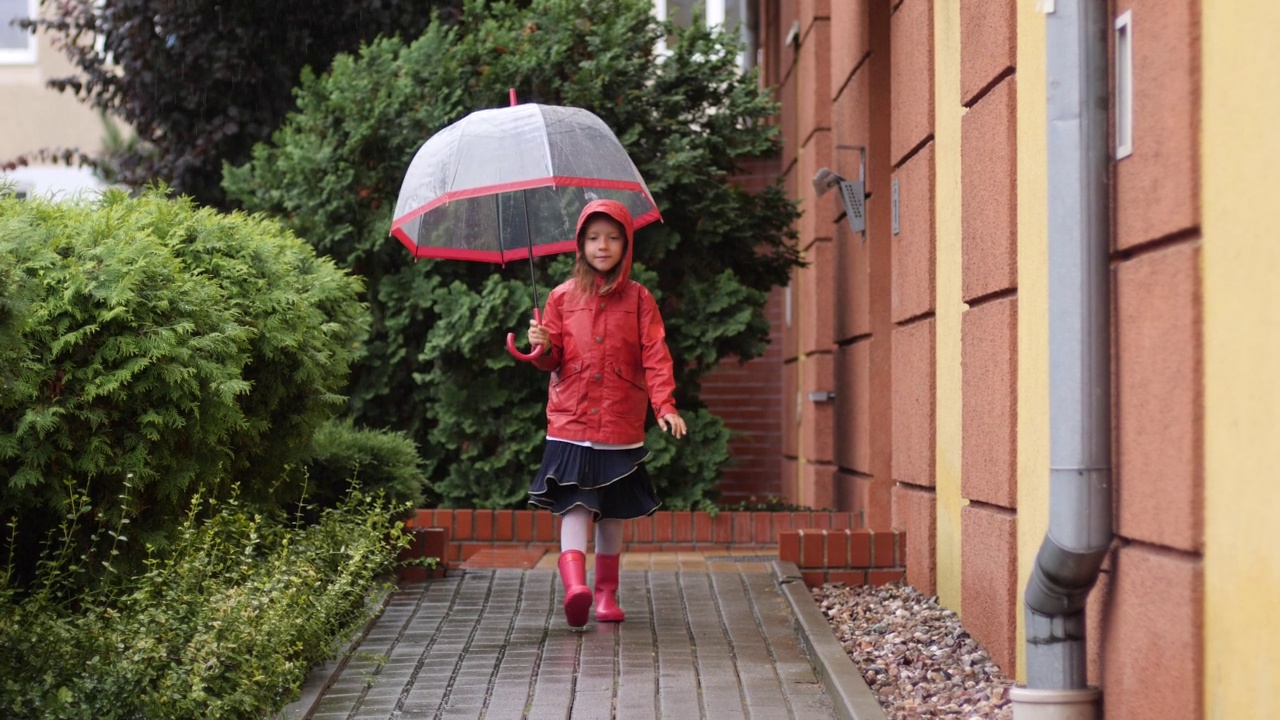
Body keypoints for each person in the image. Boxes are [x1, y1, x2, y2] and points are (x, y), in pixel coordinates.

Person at [526, 198, 686, 629]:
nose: (603, 246)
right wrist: (541, 344)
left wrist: (665, 405)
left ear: (626, 246)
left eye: (613, 238)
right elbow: (551, 358)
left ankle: (605, 594)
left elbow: (655, 354)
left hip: (619, 422)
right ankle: (576, 587)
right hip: (571, 421)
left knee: (612, 513)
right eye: (594, 238)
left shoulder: (639, 299)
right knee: (575, 505)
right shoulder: (561, 297)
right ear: (580, 244)